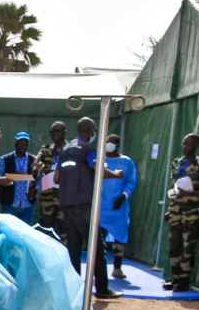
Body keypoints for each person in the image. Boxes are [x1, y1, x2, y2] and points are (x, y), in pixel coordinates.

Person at [54, 117, 125, 300]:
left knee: (74, 249)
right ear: (89, 131)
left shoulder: (65, 150)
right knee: (96, 248)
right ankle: (102, 289)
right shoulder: (87, 149)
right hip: (83, 205)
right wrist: (116, 174)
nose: (94, 134)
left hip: (66, 204)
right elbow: (98, 170)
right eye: (93, 130)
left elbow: (56, 179)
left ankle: (74, 290)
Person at [163, 133, 199, 292]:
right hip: (176, 209)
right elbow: (175, 187)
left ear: (196, 146)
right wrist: (170, 208)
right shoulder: (177, 163)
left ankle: (184, 279)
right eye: (183, 144)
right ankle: (175, 277)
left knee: (188, 245)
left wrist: (189, 195)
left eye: (188, 145)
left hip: (191, 211)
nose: (185, 147)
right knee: (174, 243)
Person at [101, 134, 138, 279]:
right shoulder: (99, 160)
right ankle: (99, 269)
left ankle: (117, 268)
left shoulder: (126, 162)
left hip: (118, 207)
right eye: (107, 141)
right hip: (101, 207)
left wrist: (123, 196)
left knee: (120, 237)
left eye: (112, 142)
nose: (109, 144)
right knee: (98, 239)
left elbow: (131, 182)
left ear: (117, 144)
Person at [32, 122, 68, 239]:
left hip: (65, 197)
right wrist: (37, 168)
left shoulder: (70, 150)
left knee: (65, 231)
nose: (55, 134)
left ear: (64, 132)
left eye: (58, 131)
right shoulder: (45, 149)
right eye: (53, 131)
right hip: (47, 197)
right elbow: (36, 164)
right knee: (46, 231)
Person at [0, 131, 36, 225]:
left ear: (28, 144)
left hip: (27, 204)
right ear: (15, 143)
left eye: (25, 143)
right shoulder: (5, 159)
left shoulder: (34, 160)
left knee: (25, 234)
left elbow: (39, 178)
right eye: (20, 143)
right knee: (8, 231)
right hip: (10, 203)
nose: (22, 146)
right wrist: (13, 175)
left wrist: (36, 189)